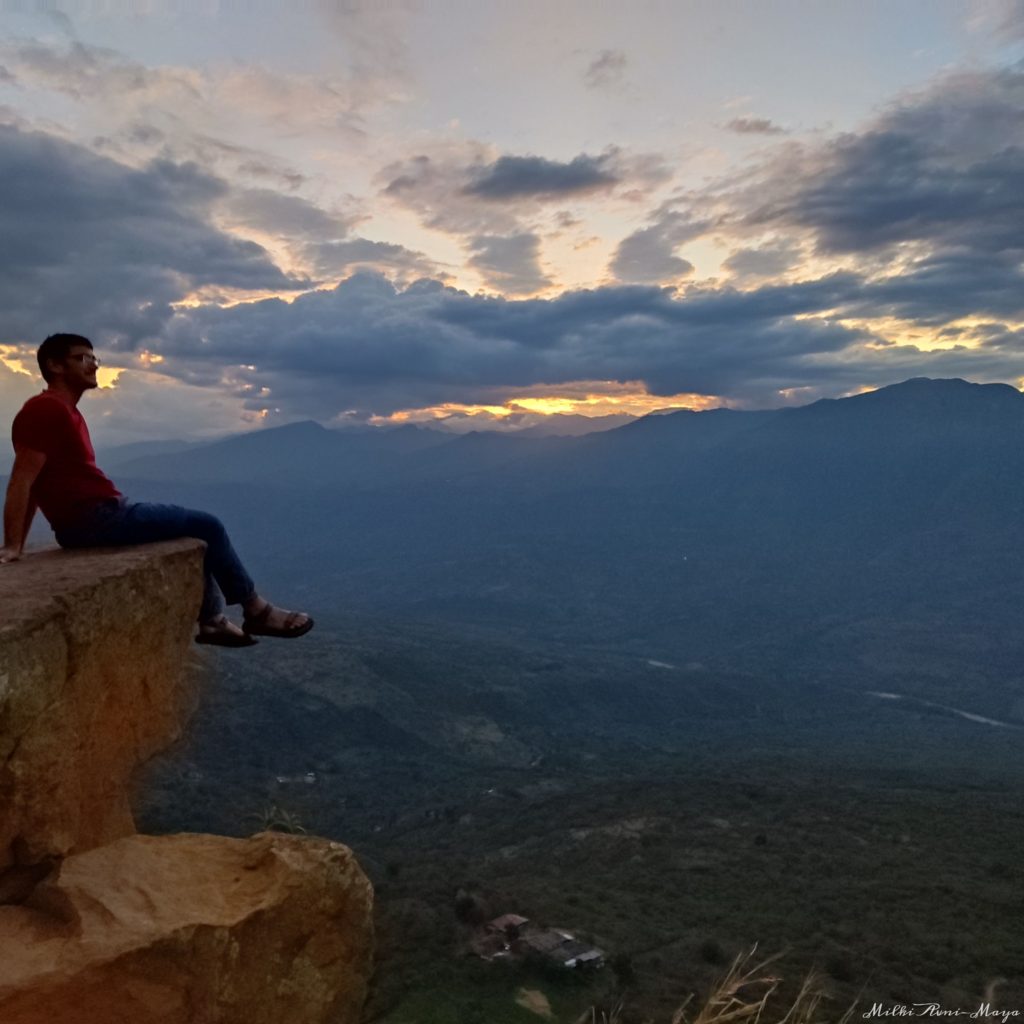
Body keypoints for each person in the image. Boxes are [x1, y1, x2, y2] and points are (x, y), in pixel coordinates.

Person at [0, 333, 313, 648]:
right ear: (54, 365)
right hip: (97, 517)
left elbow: (36, 483)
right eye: (83, 358)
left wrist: (18, 544)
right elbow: (23, 480)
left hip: (95, 516)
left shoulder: (64, 411)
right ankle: (256, 610)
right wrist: (13, 545)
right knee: (208, 524)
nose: (93, 365)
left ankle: (212, 621)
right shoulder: (45, 410)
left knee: (192, 532)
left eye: (94, 359)